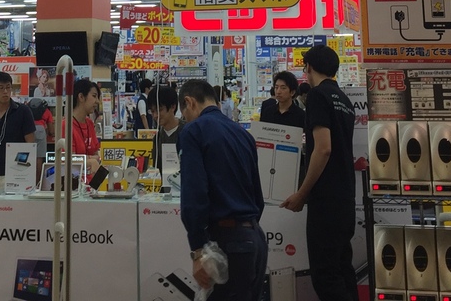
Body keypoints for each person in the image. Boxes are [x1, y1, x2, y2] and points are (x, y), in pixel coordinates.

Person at [177, 79, 267, 300]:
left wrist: (198, 249)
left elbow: (194, 194)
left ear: (189, 102)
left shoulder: (193, 131)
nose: (186, 119)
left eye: (184, 114)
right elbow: (258, 196)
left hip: (227, 243)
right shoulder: (243, 134)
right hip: (255, 240)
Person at [280, 45, 357, 301]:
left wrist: (302, 194)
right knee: (342, 269)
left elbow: (323, 149)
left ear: (309, 67)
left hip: (326, 200)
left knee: (325, 276)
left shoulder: (317, 96)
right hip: (345, 197)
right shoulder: (344, 100)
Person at [67, 78, 102, 176]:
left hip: (91, 181)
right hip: (74, 182)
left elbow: (96, 154)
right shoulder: (66, 125)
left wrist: (90, 159)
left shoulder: (89, 123)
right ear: (81, 97)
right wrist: (90, 160)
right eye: (94, 96)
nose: (97, 101)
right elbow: (66, 159)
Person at [150, 83, 181, 172]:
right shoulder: (157, 138)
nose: (155, 115)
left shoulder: (188, 132)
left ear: (173, 107)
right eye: (152, 111)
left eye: (159, 110)